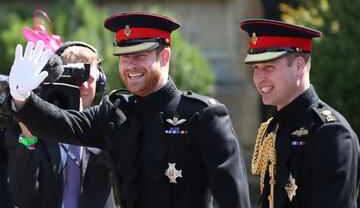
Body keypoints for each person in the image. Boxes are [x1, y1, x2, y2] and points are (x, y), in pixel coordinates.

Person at [7, 12, 251, 208]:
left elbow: (234, 199)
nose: (130, 65)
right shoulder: (115, 114)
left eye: (140, 55)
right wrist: (22, 98)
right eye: (124, 57)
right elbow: (62, 124)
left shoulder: (202, 116)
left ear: (164, 56)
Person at [240, 18, 360, 208]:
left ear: (298, 66)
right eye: (256, 68)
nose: (259, 78)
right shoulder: (274, 128)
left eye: (269, 67)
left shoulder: (330, 132)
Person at [5, 41, 116, 208]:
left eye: (89, 78)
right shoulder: (29, 125)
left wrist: (86, 125)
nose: (83, 85)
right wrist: (29, 137)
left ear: (100, 83)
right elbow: (21, 198)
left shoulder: (110, 122)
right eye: (75, 77)